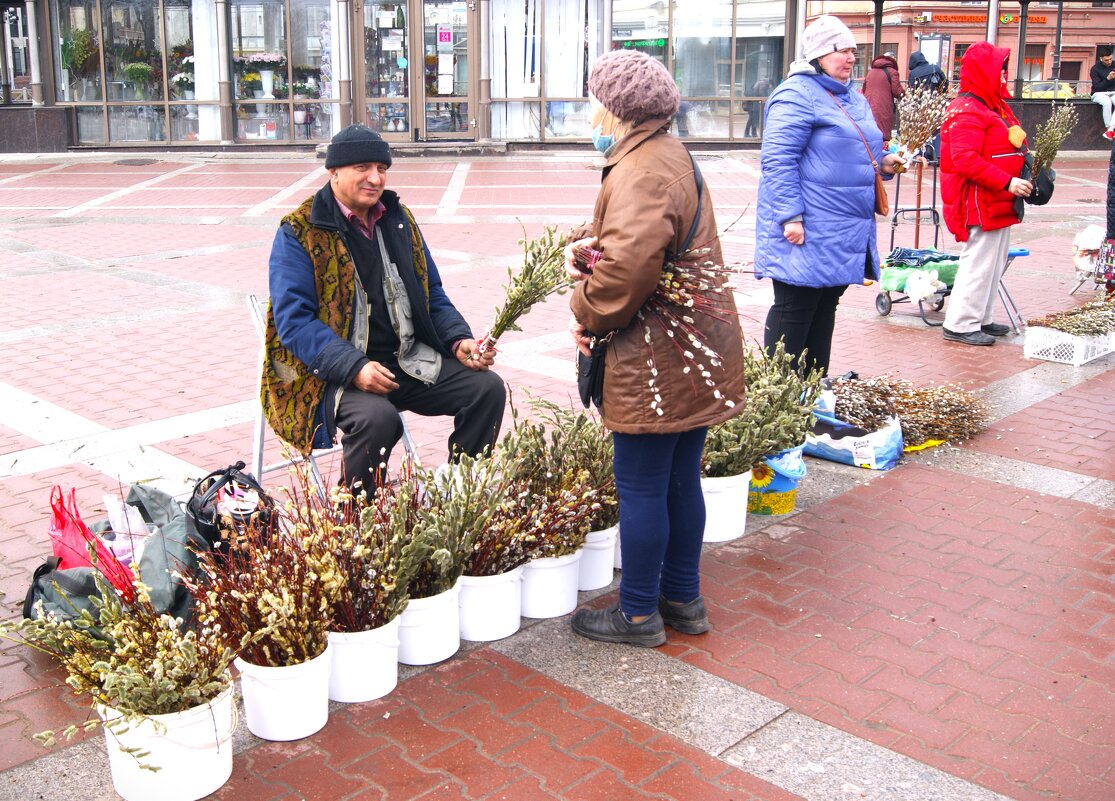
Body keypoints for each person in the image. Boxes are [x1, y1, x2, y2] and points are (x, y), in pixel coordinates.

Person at [564, 49, 745, 648]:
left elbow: (624, 276)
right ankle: (683, 599)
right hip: (692, 347)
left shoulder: (641, 169)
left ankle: (639, 613)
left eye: (595, 98)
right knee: (678, 480)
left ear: (617, 109)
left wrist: (584, 309)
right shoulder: (667, 155)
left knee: (643, 484)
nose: (589, 110)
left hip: (658, 353)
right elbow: (642, 247)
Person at [261, 124, 507, 491]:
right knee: (378, 419)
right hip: (329, 375)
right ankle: (356, 522)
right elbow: (294, 322)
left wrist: (458, 340)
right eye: (363, 168)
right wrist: (354, 367)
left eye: (382, 168)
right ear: (334, 172)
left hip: (403, 361)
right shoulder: (300, 231)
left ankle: (460, 495)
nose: (375, 178)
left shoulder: (397, 220)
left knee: (486, 389)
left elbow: (431, 294)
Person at [754, 15, 904, 377]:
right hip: (807, 225)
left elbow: (856, 150)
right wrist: (790, 216)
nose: (849, 57)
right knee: (795, 308)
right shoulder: (795, 95)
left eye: (852, 50)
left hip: (843, 227)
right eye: (840, 50)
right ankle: (778, 397)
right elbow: (778, 161)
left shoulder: (852, 98)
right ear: (818, 54)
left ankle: (812, 393)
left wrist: (884, 162)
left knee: (825, 307)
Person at [939, 42, 1032, 346]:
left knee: (993, 260)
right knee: (979, 261)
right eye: (1000, 68)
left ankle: (980, 317)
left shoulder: (986, 105)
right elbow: (966, 160)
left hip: (996, 198)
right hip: (980, 199)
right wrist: (1007, 182)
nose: (1004, 74)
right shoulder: (967, 110)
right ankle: (961, 323)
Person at [863, 51, 904, 145]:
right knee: (882, 134)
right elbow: (896, 91)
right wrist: (904, 92)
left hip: (868, 106)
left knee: (869, 132)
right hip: (883, 107)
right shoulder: (893, 72)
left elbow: (864, 89)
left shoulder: (871, 72)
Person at [1090, 47, 1115, 141]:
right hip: (1099, 93)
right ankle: (1108, 128)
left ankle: (1111, 129)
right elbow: (1097, 87)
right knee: (1107, 103)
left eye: (1110, 59)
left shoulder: (1114, 64)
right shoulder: (1095, 69)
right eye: (1106, 60)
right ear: (1101, 59)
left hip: (1113, 92)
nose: (1109, 62)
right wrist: (1108, 79)